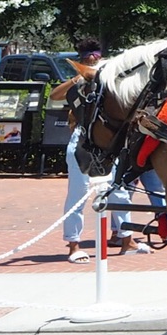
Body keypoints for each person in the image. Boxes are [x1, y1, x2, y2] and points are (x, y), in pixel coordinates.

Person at [61, 38, 103, 260]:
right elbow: (55, 95)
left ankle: (125, 237)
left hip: (107, 139)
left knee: (119, 192)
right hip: (82, 138)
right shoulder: (78, 81)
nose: (93, 60)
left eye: (96, 55)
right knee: (77, 194)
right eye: (88, 57)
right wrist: (79, 77)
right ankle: (73, 245)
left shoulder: (108, 76)